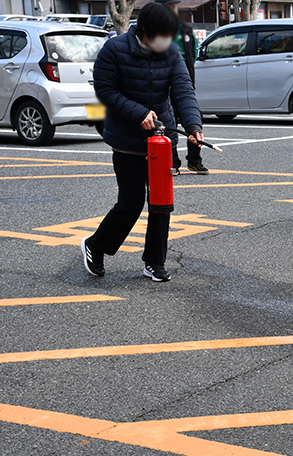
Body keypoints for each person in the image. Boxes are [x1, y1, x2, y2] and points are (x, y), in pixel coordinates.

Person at [81, 2, 204, 282]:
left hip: (162, 140)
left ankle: (154, 262)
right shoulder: (114, 49)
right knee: (131, 202)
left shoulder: (171, 52)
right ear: (145, 30)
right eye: (159, 35)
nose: (164, 42)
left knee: (161, 204)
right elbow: (106, 92)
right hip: (127, 139)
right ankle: (95, 246)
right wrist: (139, 113)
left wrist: (194, 126)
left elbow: (183, 90)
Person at [155, 0, 207, 175]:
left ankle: (194, 161)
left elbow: (194, 52)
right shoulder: (155, 31)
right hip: (163, 87)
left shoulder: (185, 29)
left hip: (183, 84)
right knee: (169, 124)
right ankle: (173, 162)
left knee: (193, 120)